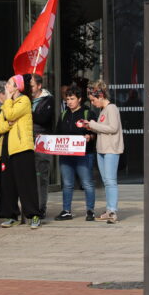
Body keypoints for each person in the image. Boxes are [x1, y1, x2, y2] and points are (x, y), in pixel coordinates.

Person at [0, 74, 41, 229]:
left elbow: (10, 115)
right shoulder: (8, 103)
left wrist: (8, 105)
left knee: (26, 183)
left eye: (9, 83)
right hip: (7, 148)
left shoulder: (24, 100)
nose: (6, 86)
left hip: (21, 148)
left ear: (17, 87)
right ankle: (11, 215)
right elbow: (0, 126)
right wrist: (9, 123)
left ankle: (34, 215)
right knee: (8, 184)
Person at [54, 85, 97, 222]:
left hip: (84, 155)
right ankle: (66, 211)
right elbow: (57, 134)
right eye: (67, 99)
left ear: (79, 99)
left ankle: (90, 210)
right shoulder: (64, 114)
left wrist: (89, 137)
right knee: (67, 184)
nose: (69, 101)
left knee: (87, 183)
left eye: (72, 98)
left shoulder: (87, 113)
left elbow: (95, 132)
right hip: (66, 156)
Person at [84, 80, 124, 224]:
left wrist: (93, 125)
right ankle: (109, 210)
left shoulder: (111, 108)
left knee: (110, 181)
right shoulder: (103, 110)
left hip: (111, 150)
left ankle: (112, 211)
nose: (93, 103)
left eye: (93, 100)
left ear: (100, 96)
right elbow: (105, 128)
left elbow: (113, 128)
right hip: (102, 150)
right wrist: (91, 127)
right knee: (107, 181)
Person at [30, 74, 54, 218]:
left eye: (32, 85)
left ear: (39, 86)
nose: (30, 88)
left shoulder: (48, 100)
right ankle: (30, 206)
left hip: (42, 140)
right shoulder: (25, 99)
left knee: (41, 176)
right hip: (27, 140)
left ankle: (41, 207)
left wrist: (27, 111)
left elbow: (43, 118)